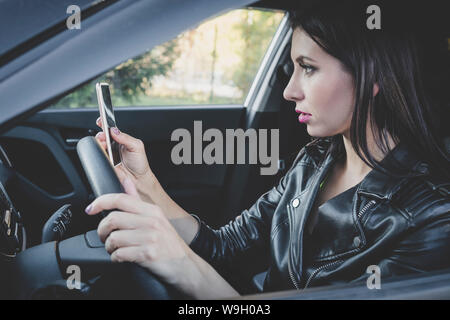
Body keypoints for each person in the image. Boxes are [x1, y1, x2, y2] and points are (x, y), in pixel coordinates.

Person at [86, 1, 450, 299]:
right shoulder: (315, 160)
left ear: (373, 77)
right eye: (292, 68)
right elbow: (223, 247)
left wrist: (183, 265)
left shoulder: (433, 216)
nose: (289, 91)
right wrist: (145, 182)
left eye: (308, 68)